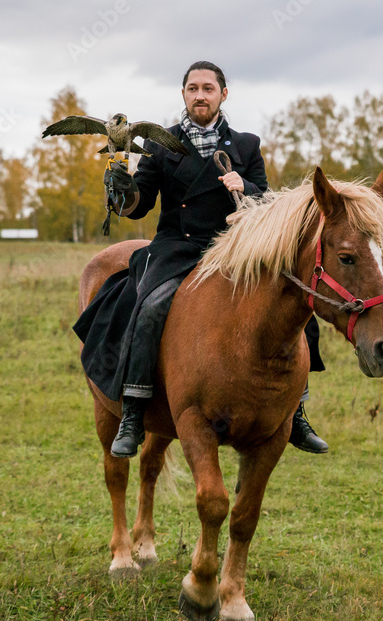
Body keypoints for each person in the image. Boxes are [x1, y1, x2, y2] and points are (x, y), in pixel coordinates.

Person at [73, 60, 328, 458]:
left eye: (208, 88)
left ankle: (294, 413)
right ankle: (133, 412)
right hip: (177, 247)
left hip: (233, 249)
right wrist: (123, 192)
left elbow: (267, 201)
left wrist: (246, 186)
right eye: (192, 89)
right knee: (150, 307)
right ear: (183, 96)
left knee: (294, 301)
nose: (200, 96)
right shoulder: (161, 144)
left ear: (223, 95)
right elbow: (139, 205)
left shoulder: (246, 145)